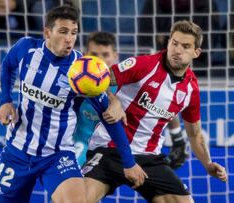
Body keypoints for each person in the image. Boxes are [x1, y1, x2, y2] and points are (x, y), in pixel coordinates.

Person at [0, 5, 146, 203]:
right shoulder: (26, 48)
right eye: (63, 32)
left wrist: (129, 162)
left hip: (57, 154)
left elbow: (110, 119)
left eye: (74, 33)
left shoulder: (82, 70)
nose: (69, 39)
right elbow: (8, 65)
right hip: (17, 150)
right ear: (47, 33)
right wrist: (6, 101)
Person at [83, 20, 228, 203]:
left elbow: (194, 133)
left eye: (185, 46)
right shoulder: (143, 65)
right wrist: (114, 100)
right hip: (108, 148)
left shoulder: (191, 89)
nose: (177, 50)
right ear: (168, 42)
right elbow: (99, 78)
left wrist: (207, 164)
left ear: (196, 53)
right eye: (174, 43)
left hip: (148, 158)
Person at [74, 31, 189, 170]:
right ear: (85, 55)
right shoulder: (76, 81)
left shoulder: (130, 81)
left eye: (105, 55)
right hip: (81, 144)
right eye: (94, 55)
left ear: (115, 56)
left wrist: (178, 139)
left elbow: (162, 103)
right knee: (76, 186)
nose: (100, 60)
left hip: (117, 147)